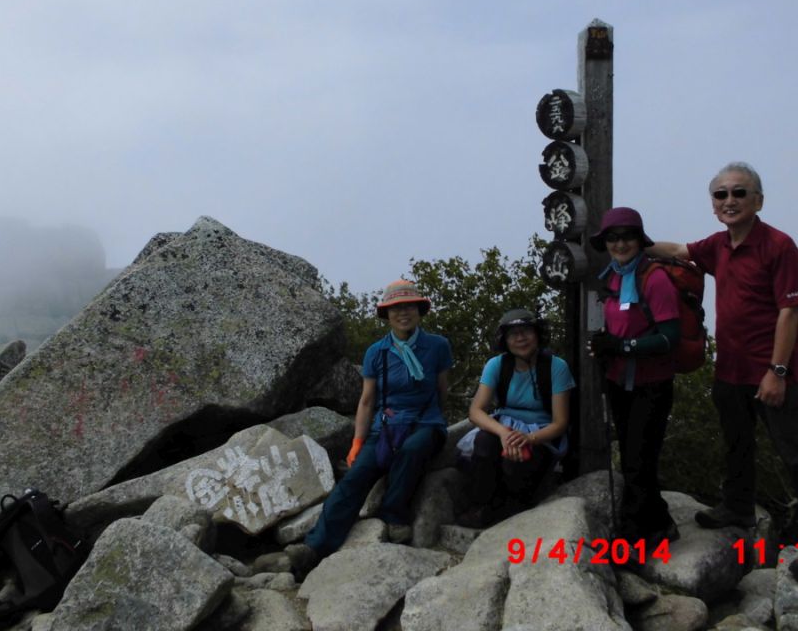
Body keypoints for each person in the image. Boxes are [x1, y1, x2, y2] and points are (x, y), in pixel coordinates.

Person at [649, 161, 798, 586]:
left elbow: (790, 312)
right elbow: (681, 252)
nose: (729, 201)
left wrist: (777, 371)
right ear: (713, 204)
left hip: (771, 373)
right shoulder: (718, 245)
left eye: (739, 193)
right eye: (721, 194)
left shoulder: (778, 245)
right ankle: (736, 508)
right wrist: (632, 244)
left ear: (758, 200)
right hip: (730, 372)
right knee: (737, 448)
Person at [287, 279, 451, 575]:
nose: (403, 313)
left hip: (426, 422)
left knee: (412, 450)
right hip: (386, 428)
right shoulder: (377, 352)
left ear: (419, 310)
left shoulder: (437, 346)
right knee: (355, 478)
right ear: (386, 315)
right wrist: (358, 442)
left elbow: (442, 391)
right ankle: (314, 548)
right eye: (395, 308)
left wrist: (435, 422)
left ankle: (394, 515)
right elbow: (366, 401)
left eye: (409, 306)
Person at [586, 207, 681, 547]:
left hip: (651, 385)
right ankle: (660, 523)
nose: (620, 243)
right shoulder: (610, 278)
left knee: (640, 459)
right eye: (613, 237)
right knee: (631, 457)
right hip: (618, 382)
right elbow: (608, 327)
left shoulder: (653, 278)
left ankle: (635, 537)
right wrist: (604, 346)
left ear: (640, 240)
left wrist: (622, 346)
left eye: (627, 236)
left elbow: (670, 337)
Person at [457, 309, 573, 528]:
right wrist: (504, 433)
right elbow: (476, 411)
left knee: (518, 460)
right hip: (505, 426)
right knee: (484, 442)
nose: (520, 338)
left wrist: (528, 438)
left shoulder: (556, 367)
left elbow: (560, 423)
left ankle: (513, 509)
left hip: (540, 433)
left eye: (526, 332)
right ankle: (480, 506)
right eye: (513, 334)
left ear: (537, 334)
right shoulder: (497, 365)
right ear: (505, 340)